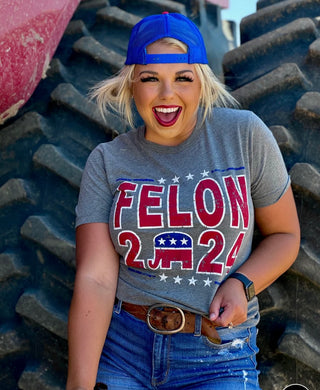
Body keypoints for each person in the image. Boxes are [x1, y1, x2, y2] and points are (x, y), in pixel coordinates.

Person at [66, 12, 300, 390]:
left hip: (218, 355)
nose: (167, 95)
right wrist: (79, 384)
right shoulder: (107, 162)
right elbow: (95, 278)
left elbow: (286, 235)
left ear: (202, 83)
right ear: (131, 85)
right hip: (125, 350)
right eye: (150, 79)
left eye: (183, 78)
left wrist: (243, 282)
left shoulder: (245, 136)